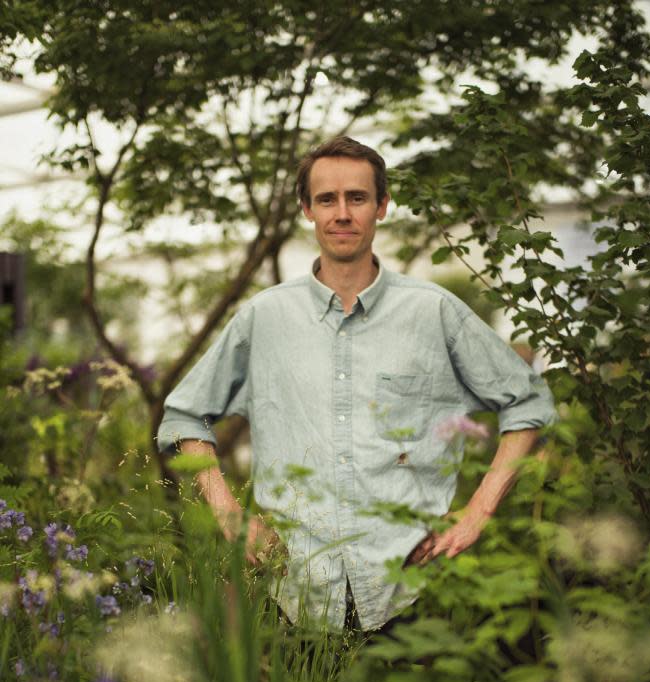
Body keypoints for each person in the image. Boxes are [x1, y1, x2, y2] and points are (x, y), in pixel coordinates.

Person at [157, 136, 557, 631]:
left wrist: (478, 512)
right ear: (307, 209)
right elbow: (183, 416)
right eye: (327, 199)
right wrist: (228, 513)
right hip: (293, 595)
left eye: (357, 198)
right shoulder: (265, 317)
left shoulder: (432, 312)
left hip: (415, 590)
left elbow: (528, 402)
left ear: (382, 206)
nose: (341, 213)